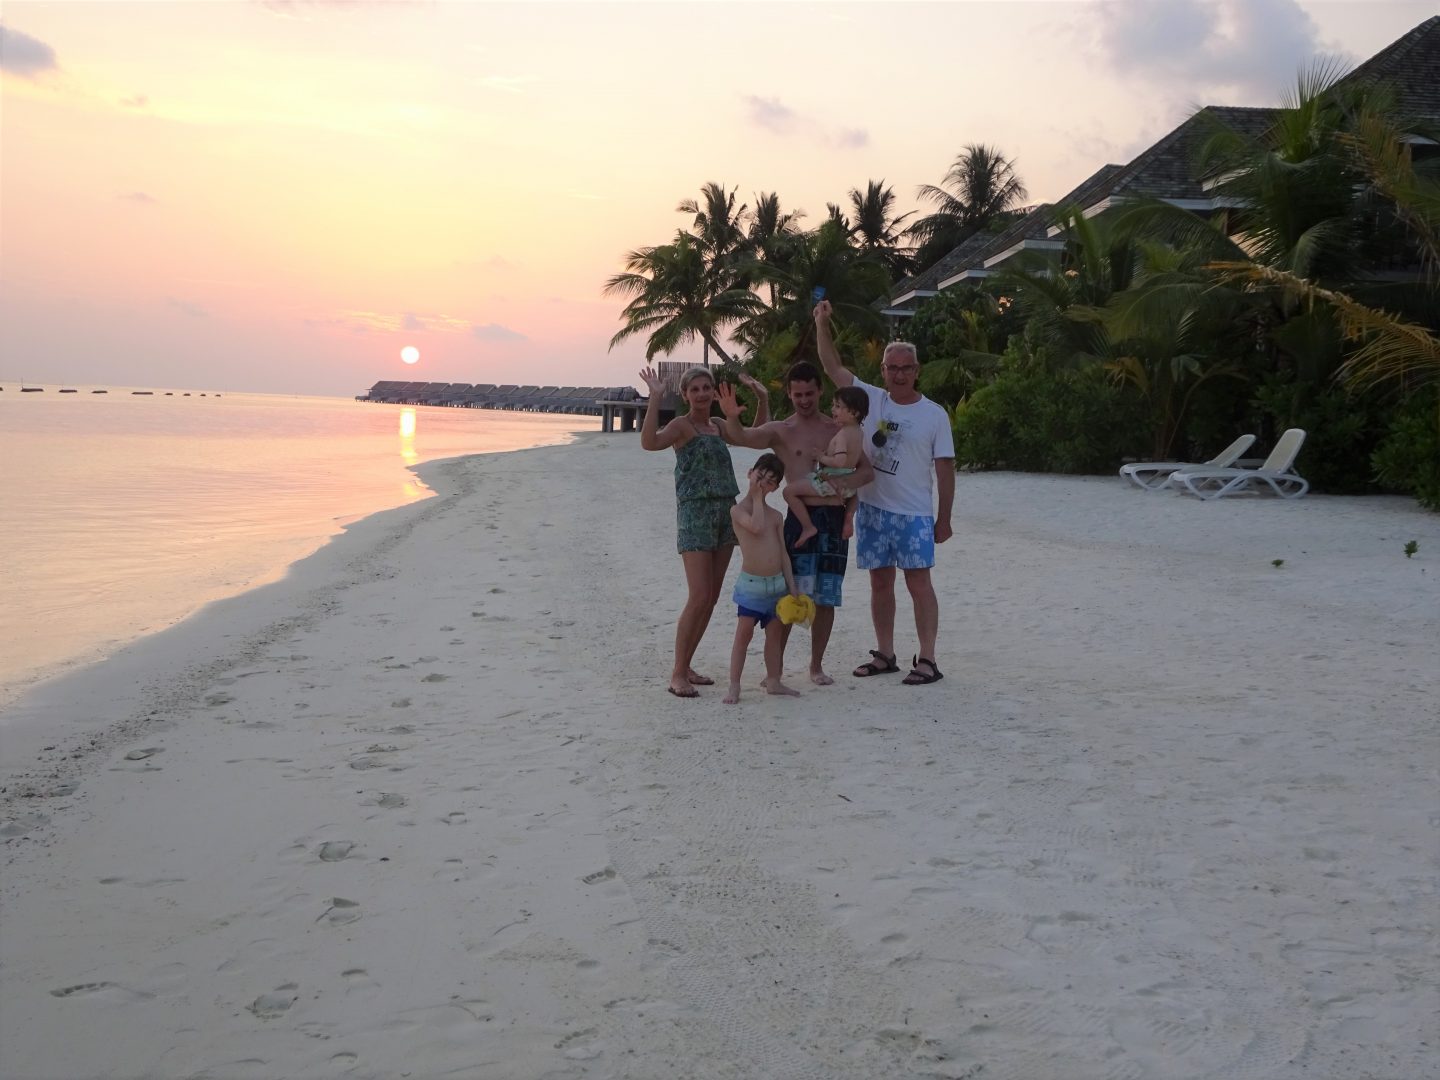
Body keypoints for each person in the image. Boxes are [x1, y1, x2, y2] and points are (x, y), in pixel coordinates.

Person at [813, 299, 955, 685]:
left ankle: (927, 658)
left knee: (919, 584)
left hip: (915, 513)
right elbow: (832, 366)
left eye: (906, 367)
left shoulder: (934, 414)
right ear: (883, 370)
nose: (899, 374)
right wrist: (821, 323)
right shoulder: (871, 399)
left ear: (916, 370)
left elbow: (945, 468)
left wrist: (944, 518)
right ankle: (886, 653)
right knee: (880, 583)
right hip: (874, 510)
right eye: (892, 368)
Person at [716, 364, 874, 686]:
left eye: (810, 393)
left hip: (831, 518)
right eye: (797, 394)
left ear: (820, 392)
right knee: (789, 593)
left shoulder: (838, 428)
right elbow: (743, 437)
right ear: (789, 393)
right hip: (799, 519)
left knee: (826, 597)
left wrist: (843, 487)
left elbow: (866, 472)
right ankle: (775, 671)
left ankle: (816, 666)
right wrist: (732, 416)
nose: (804, 400)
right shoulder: (781, 430)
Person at [639, 364, 770, 697]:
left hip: (725, 513)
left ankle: (687, 665)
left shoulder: (719, 425)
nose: (701, 394)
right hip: (695, 514)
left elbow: (754, 438)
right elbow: (649, 442)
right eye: (694, 389)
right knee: (698, 595)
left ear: (714, 392)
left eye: (705, 388)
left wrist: (761, 397)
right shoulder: (682, 426)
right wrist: (655, 398)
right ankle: (677, 673)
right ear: (684, 394)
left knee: (710, 599)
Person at [724, 452, 802, 704]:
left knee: (774, 637)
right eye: (760, 476)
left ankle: (774, 680)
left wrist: (792, 587)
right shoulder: (737, 510)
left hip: (777, 585)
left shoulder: (777, 516)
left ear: (776, 487)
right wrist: (757, 497)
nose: (762, 483)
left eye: (769, 481)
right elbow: (755, 527)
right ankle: (734, 685)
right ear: (750, 473)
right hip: (751, 586)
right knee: (743, 637)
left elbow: (783, 554)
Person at [781, 385, 868, 546]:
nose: (832, 409)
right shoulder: (859, 433)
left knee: (789, 492)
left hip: (831, 481)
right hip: (850, 485)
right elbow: (851, 461)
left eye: (838, 406)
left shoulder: (842, 434)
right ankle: (849, 516)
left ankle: (807, 527)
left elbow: (839, 461)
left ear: (854, 413)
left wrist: (822, 457)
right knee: (856, 494)